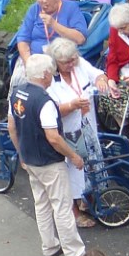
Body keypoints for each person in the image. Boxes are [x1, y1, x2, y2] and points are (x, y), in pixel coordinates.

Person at [10, 53, 86, 256]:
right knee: (61, 206)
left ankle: (50, 246)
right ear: (44, 75)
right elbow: (53, 137)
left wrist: (21, 154)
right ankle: (74, 252)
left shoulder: (16, 93)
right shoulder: (44, 102)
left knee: (41, 204)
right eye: (51, 71)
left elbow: (11, 127)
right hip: (49, 162)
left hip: (30, 159)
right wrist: (73, 155)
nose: (53, 74)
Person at [47, 35, 113, 218]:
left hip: (87, 127)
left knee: (93, 165)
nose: (70, 64)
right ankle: (74, 212)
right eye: (65, 62)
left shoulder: (79, 63)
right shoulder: (50, 79)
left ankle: (89, 202)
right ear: (55, 62)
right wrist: (72, 106)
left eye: (72, 59)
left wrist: (101, 79)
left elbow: (97, 73)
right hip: (68, 132)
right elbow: (50, 110)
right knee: (72, 171)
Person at [15, 0, 87, 67]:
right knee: (20, 80)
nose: (44, 1)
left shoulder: (70, 8)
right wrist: (28, 62)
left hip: (62, 61)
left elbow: (80, 39)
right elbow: (23, 39)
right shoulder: (34, 9)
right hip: (35, 60)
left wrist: (54, 24)